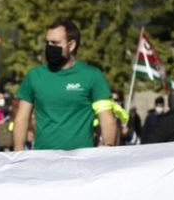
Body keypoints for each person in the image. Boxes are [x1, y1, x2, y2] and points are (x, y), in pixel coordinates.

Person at [14, 19, 117, 150]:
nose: (49, 47)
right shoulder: (34, 76)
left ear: (72, 45)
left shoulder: (92, 76)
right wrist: (18, 152)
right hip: (43, 161)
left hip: (81, 162)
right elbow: (21, 118)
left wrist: (108, 147)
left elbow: (107, 118)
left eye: (55, 43)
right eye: (48, 42)